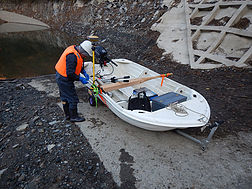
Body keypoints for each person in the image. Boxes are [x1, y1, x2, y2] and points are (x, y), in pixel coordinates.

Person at [55, 40, 92, 122]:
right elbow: (70, 74)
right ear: (83, 51)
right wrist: (80, 78)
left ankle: (67, 115)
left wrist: (82, 71)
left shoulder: (74, 49)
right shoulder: (72, 56)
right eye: (86, 55)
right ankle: (74, 117)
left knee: (65, 97)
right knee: (72, 98)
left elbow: (78, 62)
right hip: (64, 78)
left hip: (61, 76)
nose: (86, 57)